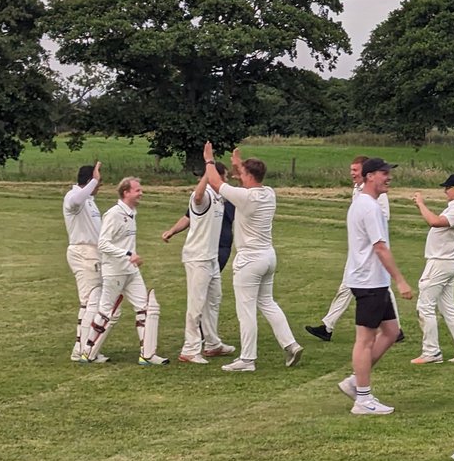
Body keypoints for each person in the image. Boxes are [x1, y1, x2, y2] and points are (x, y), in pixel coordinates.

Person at [203, 142, 303, 373]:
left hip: (249, 261)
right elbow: (246, 181)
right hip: (268, 257)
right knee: (267, 303)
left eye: (241, 173)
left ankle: (247, 359)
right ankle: (291, 344)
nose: (239, 176)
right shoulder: (269, 193)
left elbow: (216, 183)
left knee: (246, 311)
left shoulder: (245, 198)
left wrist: (209, 160)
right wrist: (239, 164)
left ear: (248, 175)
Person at [336, 158, 414, 414]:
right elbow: (379, 247)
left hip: (375, 281)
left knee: (391, 331)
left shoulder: (369, 204)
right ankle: (363, 399)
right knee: (365, 340)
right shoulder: (368, 207)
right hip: (368, 281)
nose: (388, 177)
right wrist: (400, 280)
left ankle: (355, 381)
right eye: (383, 173)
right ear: (370, 176)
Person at [305, 156, 403, 343]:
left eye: (355, 170)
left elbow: (383, 218)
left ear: (366, 174)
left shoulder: (379, 195)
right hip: (359, 252)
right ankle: (328, 325)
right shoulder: (357, 190)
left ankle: (394, 330)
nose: (352, 174)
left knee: (380, 289)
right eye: (351, 170)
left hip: (370, 252)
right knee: (349, 287)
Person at [81, 177, 168, 365]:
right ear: (126, 192)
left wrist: (130, 257)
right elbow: (103, 244)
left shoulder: (131, 212)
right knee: (106, 311)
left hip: (131, 270)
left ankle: (147, 354)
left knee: (144, 308)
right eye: (137, 190)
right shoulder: (113, 214)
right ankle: (87, 351)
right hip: (114, 271)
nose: (141, 193)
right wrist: (127, 254)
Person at [161, 162, 236, 363]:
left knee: (214, 300)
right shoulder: (204, 197)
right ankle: (190, 349)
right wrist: (208, 169)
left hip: (210, 257)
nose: (226, 180)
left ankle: (212, 344)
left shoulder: (220, 197)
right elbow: (197, 197)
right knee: (196, 303)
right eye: (224, 176)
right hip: (197, 257)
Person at [409, 173, 454, 365]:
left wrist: (421, 205)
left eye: (447, 188)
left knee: (424, 306)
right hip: (447, 262)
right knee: (448, 307)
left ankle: (431, 352)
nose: (445, 191)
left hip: (440, 262)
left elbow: (435, 222)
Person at [63, 160, 117, 362]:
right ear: (89, 181)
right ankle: (85, 350)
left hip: (94, 253)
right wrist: (95, 180)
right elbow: (76, 200)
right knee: (92, 301)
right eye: (97, 184)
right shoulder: (73, 197)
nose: (99, 188)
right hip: (83, 253)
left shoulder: (90, 201)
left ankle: (81, 348)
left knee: (89, 303)